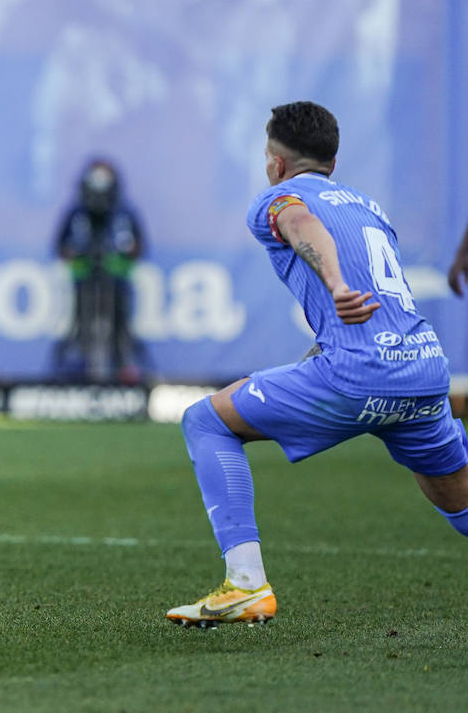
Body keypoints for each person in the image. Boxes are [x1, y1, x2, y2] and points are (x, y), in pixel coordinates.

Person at [167, 101, 468, 627]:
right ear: (333, 159)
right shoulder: (370, 208)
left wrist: (333, 284)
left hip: (358, 374)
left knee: (205, 420)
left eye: (267, 157)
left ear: (277, 163)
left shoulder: (276, 198)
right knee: (460, 504)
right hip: (422, 371)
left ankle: (245, 586)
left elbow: (300, 221)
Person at [52, 159, 146, 384]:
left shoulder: (124, 212)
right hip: (84, 281)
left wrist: (121, 255)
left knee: (120, 329)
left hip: (116, 282)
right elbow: (60, 245)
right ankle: (77, 373)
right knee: (80, 326)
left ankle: (122, 370)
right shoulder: (76, 213)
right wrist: (77, 255)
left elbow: (139, 246)